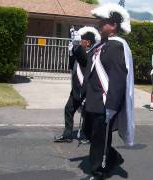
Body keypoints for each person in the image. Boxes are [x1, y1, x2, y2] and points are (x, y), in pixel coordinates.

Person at [81, 3, 134, 180]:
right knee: (90, 134)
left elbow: (118, 79)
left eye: (103, 22)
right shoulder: (100, 46)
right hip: (92, 101)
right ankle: (114, 158)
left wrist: (112, 106)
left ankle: (99, 171)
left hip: (104, 103)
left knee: (100, 141)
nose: (99, 24)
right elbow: (88, 68)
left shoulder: (117, 46)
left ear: (113, 25)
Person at [54, 26, 101, 143]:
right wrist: (71, 52)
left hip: (86, 90)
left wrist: (77, 47)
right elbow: (71, 66)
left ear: (88, 42)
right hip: (76, 89)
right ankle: (67, 135)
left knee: (87, 114)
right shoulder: (79, 52)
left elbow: (85, 60)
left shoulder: (92, 54)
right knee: (68, 109)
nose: (80, 42)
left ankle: (88, 136)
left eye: (82, 40)